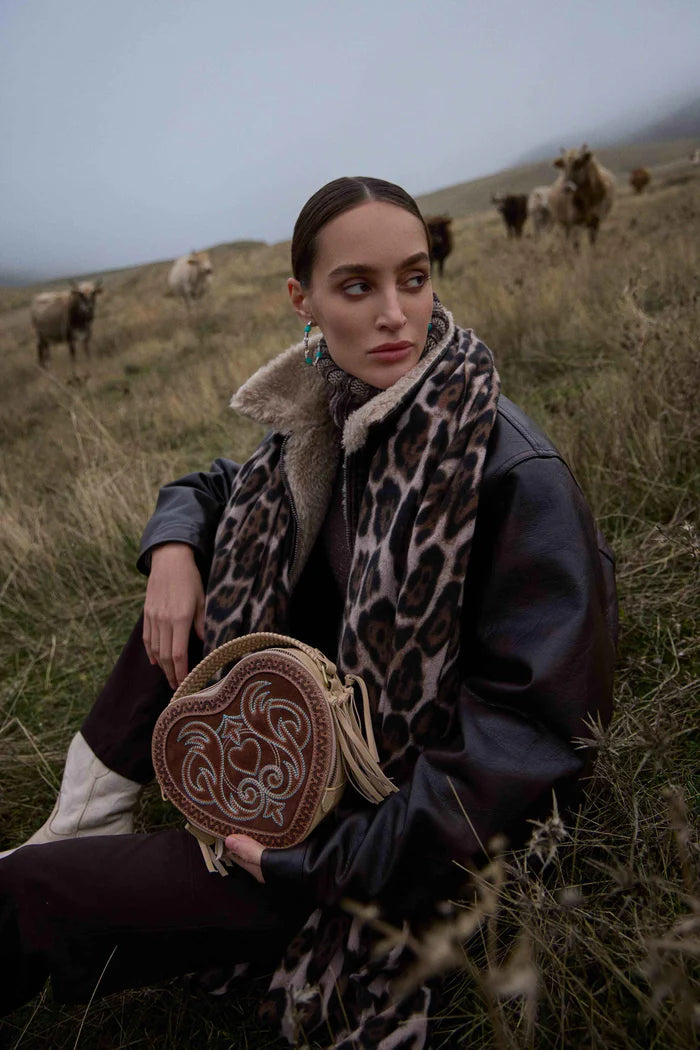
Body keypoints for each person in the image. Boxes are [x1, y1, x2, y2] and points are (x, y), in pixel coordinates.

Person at [0, 176, 617, 1047]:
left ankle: (68, 866)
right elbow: (216, 485)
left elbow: (533, 743)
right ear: (305, 302)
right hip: (289, 769)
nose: (396, 314)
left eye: (414, 278)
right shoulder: (329, 414)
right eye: (358, 286)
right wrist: (173, 547)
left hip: (372, 847)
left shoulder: (506, 471)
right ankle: (84, 817)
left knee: (29, 899)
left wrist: (309, 863)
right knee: (209, 559)